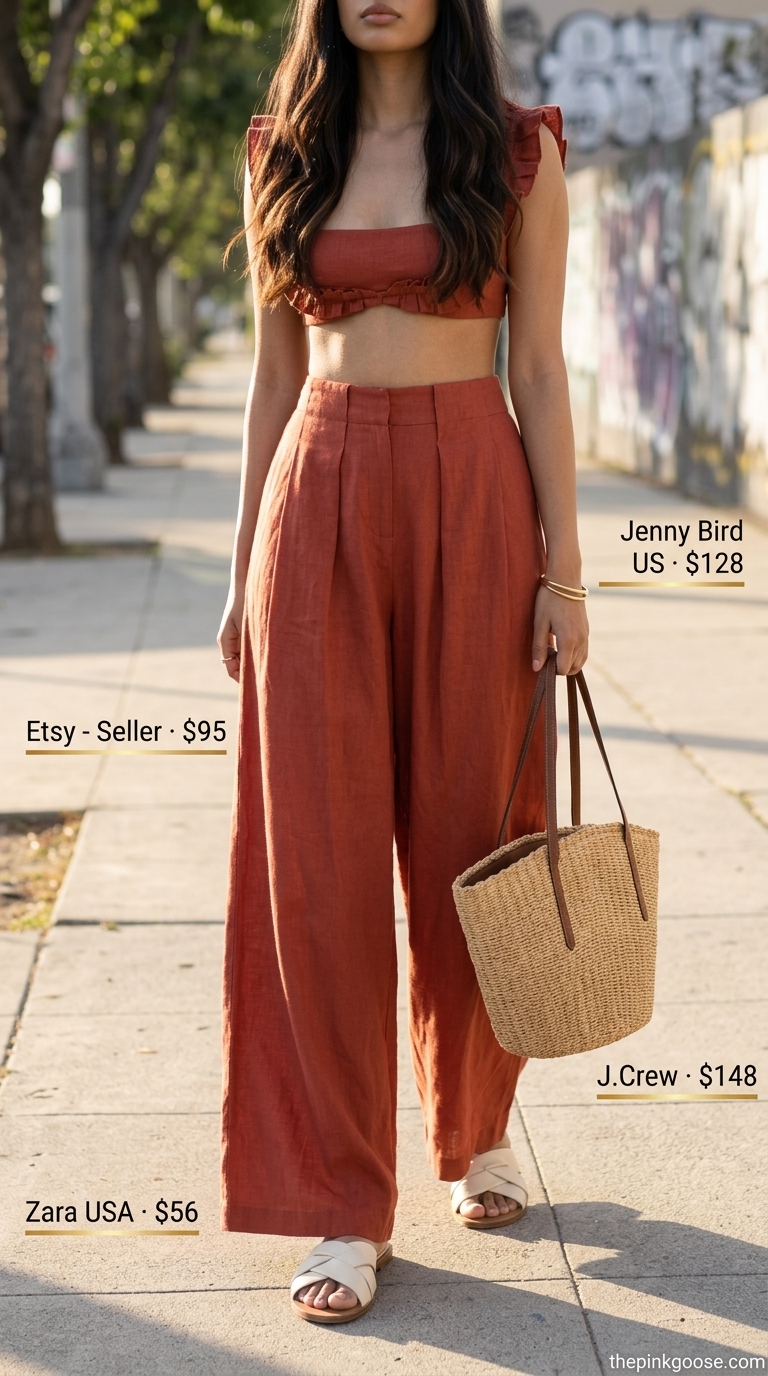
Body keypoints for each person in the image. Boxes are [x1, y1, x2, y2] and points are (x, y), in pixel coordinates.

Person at [217, 0, 589, 1325]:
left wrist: (566, 574)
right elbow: (270, 375)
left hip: (475, 500)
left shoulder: (517, 153)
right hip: (314, 501)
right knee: (310, 870)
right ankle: (340, 1196)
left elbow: (539, 372)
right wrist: (235, 571)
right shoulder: (281, 151)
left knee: (471, 840)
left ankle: (475, 1128)